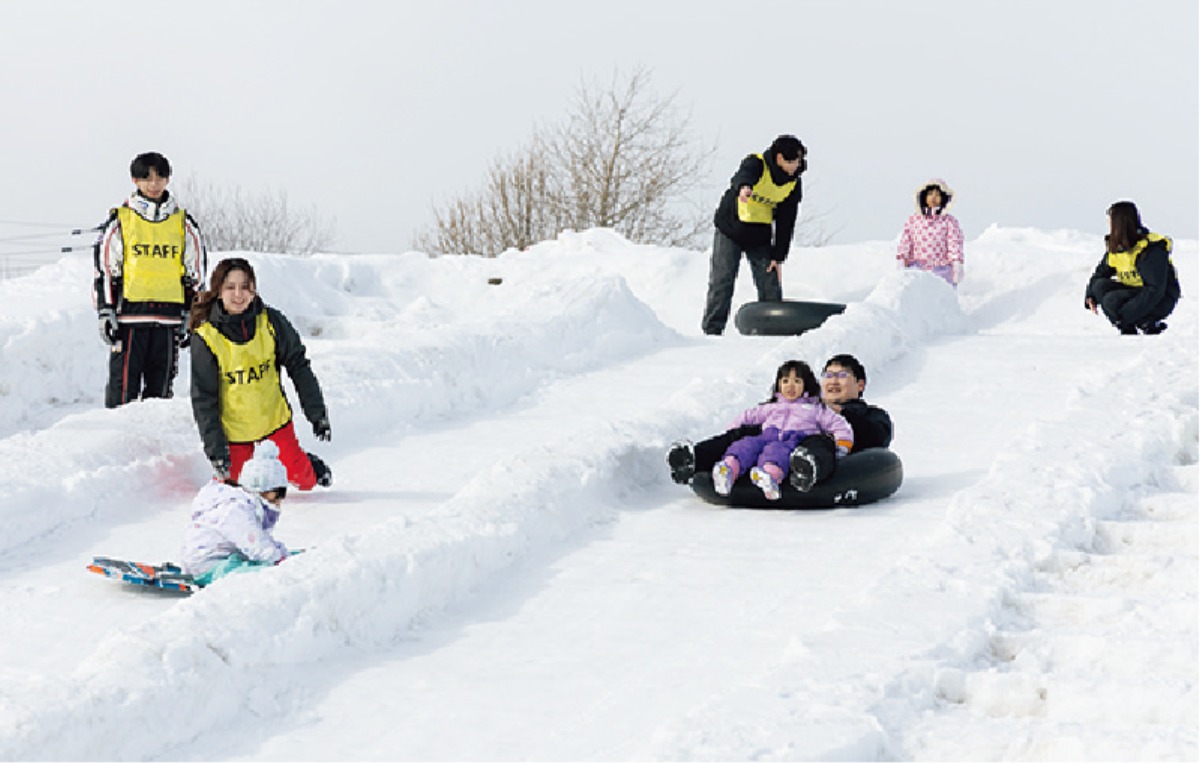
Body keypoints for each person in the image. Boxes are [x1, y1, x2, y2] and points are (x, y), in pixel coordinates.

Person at [189, 257, 333, 490]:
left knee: (304, 481)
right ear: (218, 291)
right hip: (234, 432)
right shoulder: (206, 338)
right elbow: (203, 399)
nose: (239, 294)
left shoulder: (271, 321)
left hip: (273, 421)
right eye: (230, 287)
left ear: (254, 290)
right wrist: (216, 452)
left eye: (245, 287)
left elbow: (299, 366)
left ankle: (309, 465)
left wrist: (317, 414)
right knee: (231, 490)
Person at [668, 353, 892, 490]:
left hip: (820, 454)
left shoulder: (871, 414)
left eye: (842, 376)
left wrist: (841, 414)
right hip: (777, 446)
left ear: (860, 384)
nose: (833, 381)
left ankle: (805, 467)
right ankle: (694, 460)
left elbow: (877, 436)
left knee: (819, 441)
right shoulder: (802, 407)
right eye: (828, 375)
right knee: (746, 436)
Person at [92, 152, 206, 408]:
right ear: (135, 180)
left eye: (160, 177)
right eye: (147, 178)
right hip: (129, 319)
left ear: (168, 179)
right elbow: (106, 270)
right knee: (123, 393)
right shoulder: (121, 221)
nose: (154, 184)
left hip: (168, 320)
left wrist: (193, 313)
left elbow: (196, 273)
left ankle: (155, 436)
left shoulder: (183, 223)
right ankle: (117, 434)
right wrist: (106, 310)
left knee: (160, 395)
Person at [701, 134, 807, 335]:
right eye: (791, 161)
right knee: (723, 280)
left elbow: (786, 221)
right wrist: (744, 188)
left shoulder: (793, 184)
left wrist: (778, 256)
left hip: (759, 234)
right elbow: (743, 175)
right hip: (731, 228)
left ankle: (773, 330)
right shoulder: (757, 163)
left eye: (798, 161)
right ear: (778, 158)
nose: (795, 166)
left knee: (769, 282)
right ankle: (712, 330)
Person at [709, 360, 853, 501]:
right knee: (746, 445)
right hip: (767, 435)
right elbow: (748, 416)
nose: (790, 386)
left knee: (776, 451)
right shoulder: (772, 407)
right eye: (785, 381)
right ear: (778, 384)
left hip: (794, 439)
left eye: (797, 381)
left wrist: (843, 443)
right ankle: (728, 470)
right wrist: (732, 429)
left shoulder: (815, 409)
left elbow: (838, 423)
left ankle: (769, 476)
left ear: (806, 384)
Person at [180, 440, 295, 586]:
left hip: (221, 559)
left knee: (261, 561)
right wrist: (278, 560)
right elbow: (255, 543)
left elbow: (262, 538)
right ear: (259, 491)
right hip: (209, 564)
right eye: (275, 498)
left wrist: (283, 553)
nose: (278, 505)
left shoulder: (248, 505)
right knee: (259, 573)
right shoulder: (236, 509)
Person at [1084, 200, 1181, 335]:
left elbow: (1155, 290)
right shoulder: (1118, 248)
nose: (1108, 223)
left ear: (1118, 223)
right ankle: (1133, 327)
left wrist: (1124, 317)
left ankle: (1146, 322)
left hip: (1161, 298)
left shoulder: (1150, 249)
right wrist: (1090, 296)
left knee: (1111, 300)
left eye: (1110, 219)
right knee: (1099, 286)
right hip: (1136, 292)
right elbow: (1100, 274)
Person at [895, 178, 964, 287]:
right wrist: (902, 259)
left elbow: (954, 243)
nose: (933, 198)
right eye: (930, 194)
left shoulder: (949, 221)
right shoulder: (914, 220)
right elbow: (906, 241)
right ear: (924, 196)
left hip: (941, 269)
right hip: (917, 267)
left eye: (937, 195)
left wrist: (956, 263)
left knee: (940, 293)